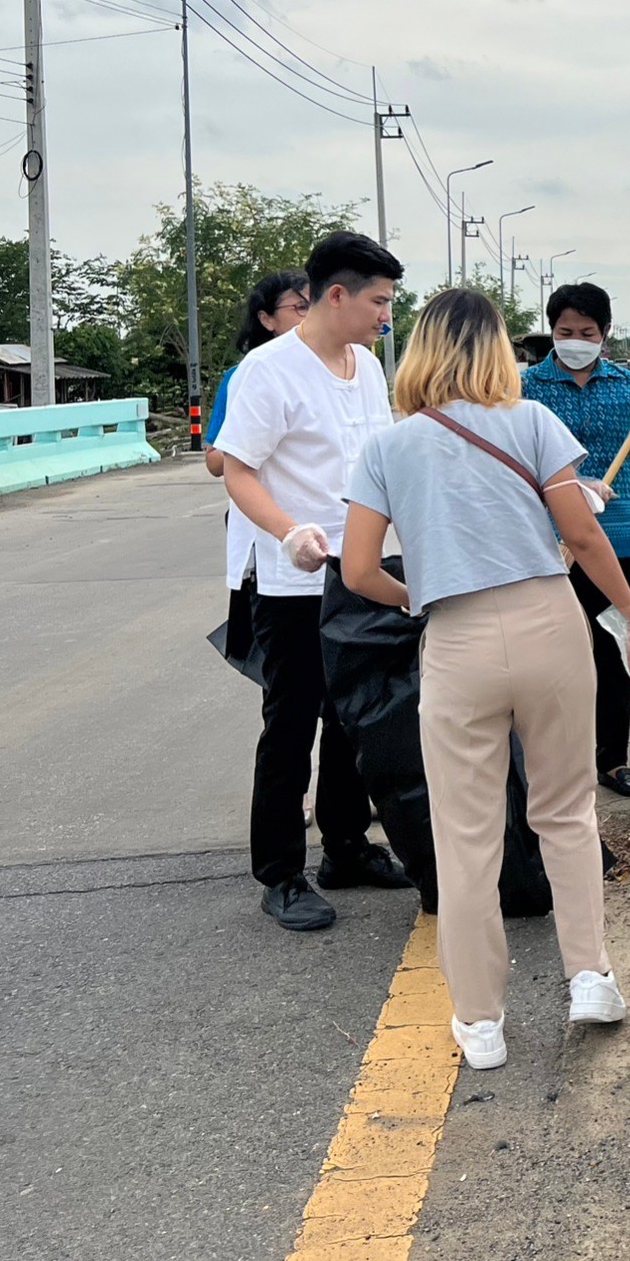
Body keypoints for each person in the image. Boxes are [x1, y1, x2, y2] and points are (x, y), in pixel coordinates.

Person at [341, 288, 630, 1070]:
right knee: (566, 810)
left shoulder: (389, 447)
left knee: (468, 835)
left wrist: (418, 591)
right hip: (551, 623)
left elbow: (356, 570)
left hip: (456, 637)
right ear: (494, 351)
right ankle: (590, 975)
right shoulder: (533, 422)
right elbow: (582, 533)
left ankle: (481, 1022)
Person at [215, 232, 411, 931]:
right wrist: (288, 529)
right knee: (292, 724)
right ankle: (280, 871)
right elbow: (238, 469)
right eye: (379, 301)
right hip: (296, 579)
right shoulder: (270, 371)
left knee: (358, 715)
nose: (386, 315)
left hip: (363, 567)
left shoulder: (367, 365)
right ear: (337, 294)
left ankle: (348, 845)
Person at [523, 281, 630, 799]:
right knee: (554, 655)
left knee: (617, 648)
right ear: (551, 332)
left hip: (619, 536)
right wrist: (571, 489)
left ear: (605, 333)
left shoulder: (627, 388)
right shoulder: (527, 390)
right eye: (564, 331)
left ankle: (612, 759)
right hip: (550, 537)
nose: (574, 340)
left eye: (586, 332)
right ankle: (556, 762)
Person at [208, 274, 311, 641]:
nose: (309, 316)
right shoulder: (244, 375)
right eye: (299, 307)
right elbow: (217, 462)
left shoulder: (343, 367)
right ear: (267, 319)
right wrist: (252, 443)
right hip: (269, 534)